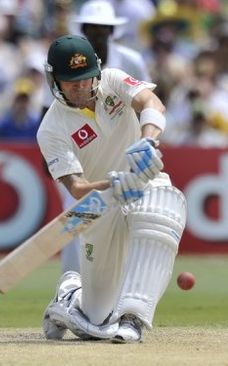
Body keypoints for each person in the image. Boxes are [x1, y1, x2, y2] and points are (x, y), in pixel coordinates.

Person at [38, 35, 186, 343]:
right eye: (70, 82)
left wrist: (147, 141)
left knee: (163, 207)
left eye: (84, 79)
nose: (80, 88)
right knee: (95, 317)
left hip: (146, 183)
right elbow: (77, 188)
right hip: (98, 206)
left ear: (97, 71)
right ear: (55, 81)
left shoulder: (114, 80)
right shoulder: (51, 128)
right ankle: (69, 297)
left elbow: (151, 102)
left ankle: (133, 318)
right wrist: (114, 182)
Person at [41, 0, 152, 282]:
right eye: (93, 28)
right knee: (77, 228)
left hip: (125, 149)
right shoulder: (64, 64)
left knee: (136, 229)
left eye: (104, 29)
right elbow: (50, 117)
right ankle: (69, 290)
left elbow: (147, 103)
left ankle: (122, 295)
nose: (99, 34)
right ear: (85, 28)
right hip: (79, 159)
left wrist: (147, 144)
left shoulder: (127, 62)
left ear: (113, 31)